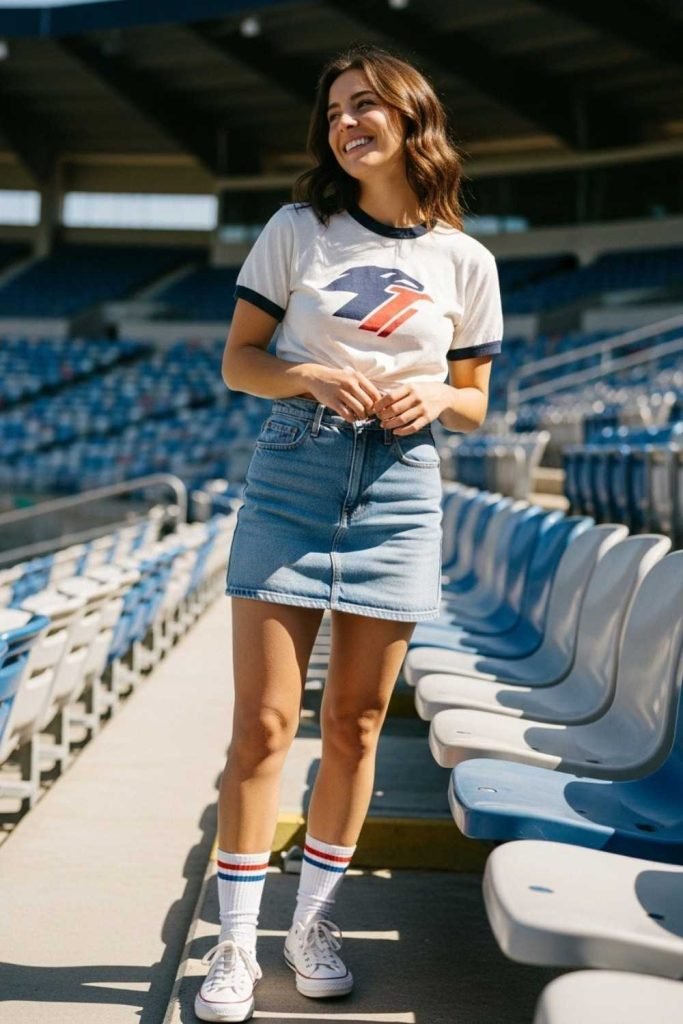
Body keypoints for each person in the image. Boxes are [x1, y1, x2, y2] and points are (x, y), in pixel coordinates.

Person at [195, 43, 503, 1023]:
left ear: (413, 119)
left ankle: (311, 922)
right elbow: (239, 363)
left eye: (365, 104)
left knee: (356, 724)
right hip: (292, 468)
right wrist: (310, 375)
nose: (345, 121)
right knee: (265, 725)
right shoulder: (295, 230)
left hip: (399, 488)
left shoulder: (466, 260)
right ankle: (235, 944)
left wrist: (425, 392)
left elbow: (474, 407)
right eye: (333, 110)